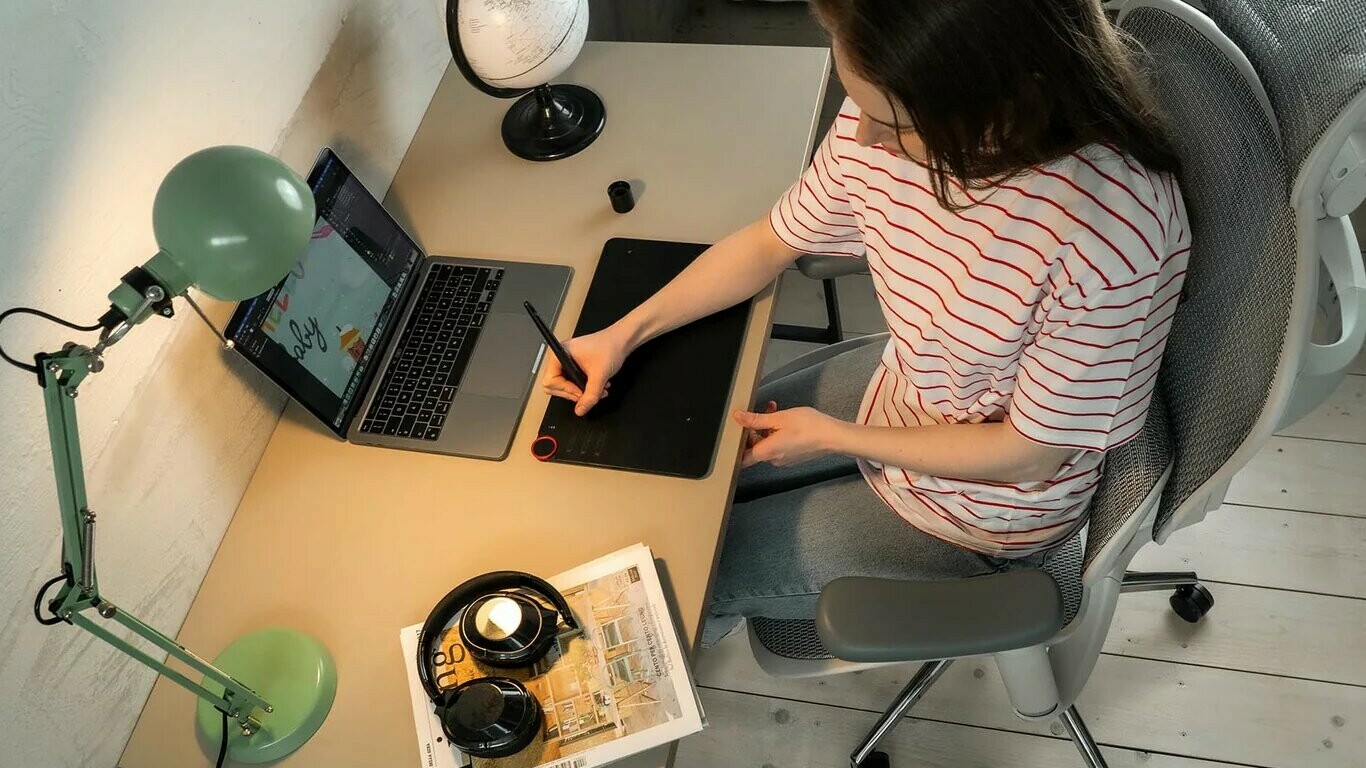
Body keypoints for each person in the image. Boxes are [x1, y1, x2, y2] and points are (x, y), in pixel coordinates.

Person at [543, 0, 1190, 645]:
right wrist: (623, 334)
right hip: (906, 392)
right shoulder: (889, 110)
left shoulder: (1109, 236)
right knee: (672, 480)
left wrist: (835, 438)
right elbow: (769, 243)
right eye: (859, 103)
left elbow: (1029, 454)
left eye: (893, 124)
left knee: (675, 578)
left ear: (1000, 104)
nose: (861, 138)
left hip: (982, 510)